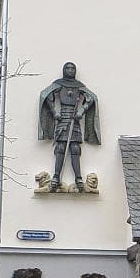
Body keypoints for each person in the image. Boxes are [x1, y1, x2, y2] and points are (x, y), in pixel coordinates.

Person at [37, 62, 100, 191]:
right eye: (68, 68)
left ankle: (78, 178)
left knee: (75, 148)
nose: (71, 70)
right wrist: (54, 112)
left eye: (73, 68)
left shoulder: (79, 86)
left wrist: (82, 110)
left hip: (74, 119)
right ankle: (56, 177)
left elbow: (91, 98)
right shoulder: (59, 84)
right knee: (60, 147)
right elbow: (45, 95)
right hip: (63, 119)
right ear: (64, 70)